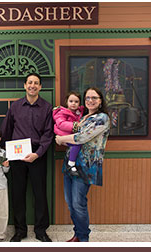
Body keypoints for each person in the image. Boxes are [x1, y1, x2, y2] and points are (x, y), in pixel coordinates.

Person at [0, 72, 54, 242]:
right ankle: (20, 230)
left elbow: (48, 134)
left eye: (36, 83)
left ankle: (41, 230)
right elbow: (6, 130)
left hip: (37, 154)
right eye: (29, 82)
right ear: (25, 85)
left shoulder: (47, 107)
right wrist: (6, 153)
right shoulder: (15, 107)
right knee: (18, 193)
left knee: (40, 193)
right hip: (17, 155)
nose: (32, 85)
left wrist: (37, 154)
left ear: (40, 87)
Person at [55, 87, 110, 242]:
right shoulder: (84, 117)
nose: (90, 101)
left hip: (85, 167)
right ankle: (78, 234)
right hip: (69, 165)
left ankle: (84, 239)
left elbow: (82, 138)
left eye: (94, 98)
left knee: (78, 203)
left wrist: (61, 139)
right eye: (87, 98)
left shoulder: (102, 118)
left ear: (100, 100)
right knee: (71, 203)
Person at [52, 91, 85, 176]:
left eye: (76, 102)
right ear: (66, 102)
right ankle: (71, 164)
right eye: (71, 101)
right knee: (77, 144)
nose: (73, 103)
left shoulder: (78, 112)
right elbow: (61, 124)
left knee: (77, 144)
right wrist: (75, 125)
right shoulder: (62, 112)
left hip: (71, 135)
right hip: (64, 135)